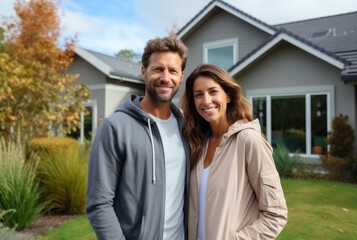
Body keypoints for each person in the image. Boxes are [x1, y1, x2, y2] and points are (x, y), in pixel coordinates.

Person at [86, 35, 191, 240]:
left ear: (181, 77)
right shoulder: (115, 127)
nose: (166, 77)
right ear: (144, 72)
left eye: (173, 71)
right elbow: (99, 203)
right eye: (158, 69)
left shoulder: (186, 127)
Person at [181, 64, 288, 240]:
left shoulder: (248, 140)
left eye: (213, 91)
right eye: (198, 95)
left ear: (228, 96)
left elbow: (275, 214)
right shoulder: (197, 143)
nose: (206, 101)